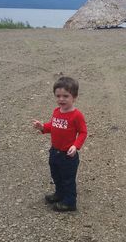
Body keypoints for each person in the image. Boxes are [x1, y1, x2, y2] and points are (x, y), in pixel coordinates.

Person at [32, 76, 87, 212]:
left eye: (65, 96)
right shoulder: (57, 111)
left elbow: (83, 132)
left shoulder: (76, 115)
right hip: (54, 152)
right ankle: (60, 194)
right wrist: (43, 127)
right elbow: (53, 126)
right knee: (56, 175)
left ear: (74, 97)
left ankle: (69, 202)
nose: (61, 99)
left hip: (68, 156)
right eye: (58, 96)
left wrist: (75, 146)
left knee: (68, 179)